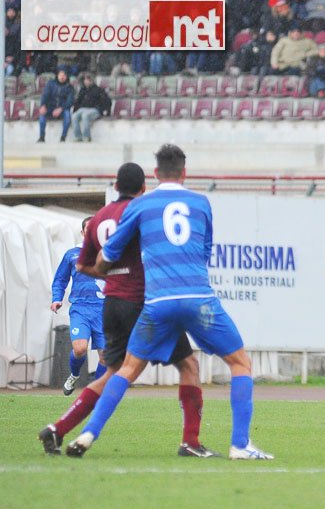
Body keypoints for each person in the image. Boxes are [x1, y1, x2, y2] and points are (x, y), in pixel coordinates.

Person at [65, 145, 272, 460]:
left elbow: (110, 253)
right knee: (240, 363)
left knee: (126, 369)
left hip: (157, 302)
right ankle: (240, 445)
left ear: (156, 173)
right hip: (199, 301)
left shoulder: (141, 205)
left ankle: (88, 434)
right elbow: (205, 253)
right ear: (184, 173)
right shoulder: (201, 203)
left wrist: (102, 268)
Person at [39, 163, 215, 458]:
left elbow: (85, 265)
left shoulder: (98, 220)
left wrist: (114, 276)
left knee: (114, 372)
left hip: (111, 304)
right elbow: (157, 253)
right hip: (144, 304)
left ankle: (58, 428)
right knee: (187, 366)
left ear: (116, 186)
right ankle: (190, 442)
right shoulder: (142, 212)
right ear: (143, 188)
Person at [51, 217, 107, 396]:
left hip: (104, 309)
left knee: (106, 356)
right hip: (80, 309)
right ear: (83, 233)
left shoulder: (110, 253)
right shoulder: (72, 254)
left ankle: (95, 393)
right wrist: (56, 298)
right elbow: (60, 279)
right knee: (80, 349)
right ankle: (74, 375)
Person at [71, 73, 111, 143]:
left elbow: (107, 101)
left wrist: (106, 111)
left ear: (92, 81)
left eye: (88, 80)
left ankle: (86, 136)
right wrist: (75, 109)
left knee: (85, 115)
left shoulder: (99, 90)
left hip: (94, 109)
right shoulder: (82, 90)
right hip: (82, 109)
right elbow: (78, 101)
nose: (86, 81)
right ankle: (78, 136)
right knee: (74, 116)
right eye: (85, 80)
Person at [37, 69, 73, 143]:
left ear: (66, 77)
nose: (62, 77)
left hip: (62, 109)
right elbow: (45, 95)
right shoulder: (50, 84)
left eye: (64, 75)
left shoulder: (69, 87)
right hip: (50, 107)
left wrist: (60, 109)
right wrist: (42, 105)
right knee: (41, 117)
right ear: (57, 75)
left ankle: (63, 138)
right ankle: (41, 137)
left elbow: (69, 101)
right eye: (60, 75)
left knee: (67, 116)